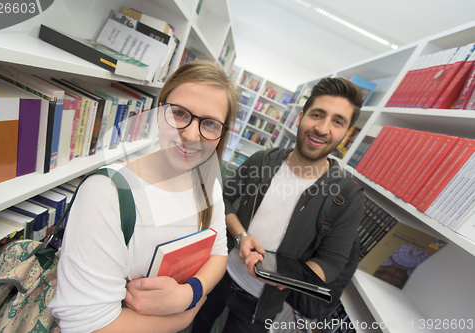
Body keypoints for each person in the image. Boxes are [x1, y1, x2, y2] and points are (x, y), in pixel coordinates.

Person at [48, 60, 239, 333]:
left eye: (209, 124)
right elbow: (85, 326)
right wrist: (182, 318)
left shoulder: (208, 186)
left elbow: (219, 254)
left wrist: (188, 294)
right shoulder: (108, 193)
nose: (190, 135)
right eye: (180, 114)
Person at [191, 77, 365, 332]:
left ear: (347, 133)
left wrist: (292, 278)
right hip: (217, 272)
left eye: (337, 121)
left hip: (262, 305)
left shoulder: (348, 196)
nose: (323, 128)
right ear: (301, 116)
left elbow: (332, 261)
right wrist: (241, 236)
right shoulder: (262, 161)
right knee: (199, 324)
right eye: (317, 115)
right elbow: (223, 199)